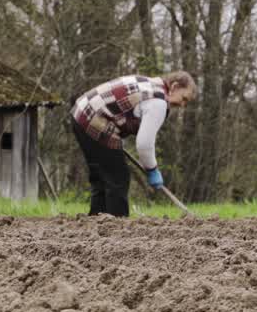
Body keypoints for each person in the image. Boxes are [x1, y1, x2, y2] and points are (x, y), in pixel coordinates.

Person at [71, 70, 196, 216]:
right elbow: (144, 144)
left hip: (80, 113)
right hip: (94, 119)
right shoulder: (158, 102)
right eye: (184, 98)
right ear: (174, 87)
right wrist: (152, 169)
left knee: (101, 176)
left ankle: (97, 220)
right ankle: (117, 225)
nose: (182, 105)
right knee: (118, 178)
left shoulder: (151, 84)